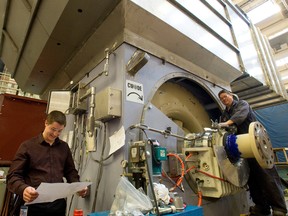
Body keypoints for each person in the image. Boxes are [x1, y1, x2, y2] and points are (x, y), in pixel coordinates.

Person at [218, 89, 287, 216]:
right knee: (252, 180)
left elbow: (240, 116)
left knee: (268, 178)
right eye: (221, 98)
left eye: (225, 96)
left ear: (230, 95)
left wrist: (226, 123)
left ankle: (280, 208)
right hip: (243, 151)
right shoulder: (224, 114)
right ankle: (262, 207)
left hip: (257, 146)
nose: (223, 99)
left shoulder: (242, 104)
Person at [7, 110, 88, 216]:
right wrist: (24, 189)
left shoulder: (64, 147)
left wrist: (77, 185)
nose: (55, 134)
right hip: (32, 204)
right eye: (53, 129)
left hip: (57, 205)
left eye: (59, 131)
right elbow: (13, 176)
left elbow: (70, 171)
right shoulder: (27, 146)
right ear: (46, 123)